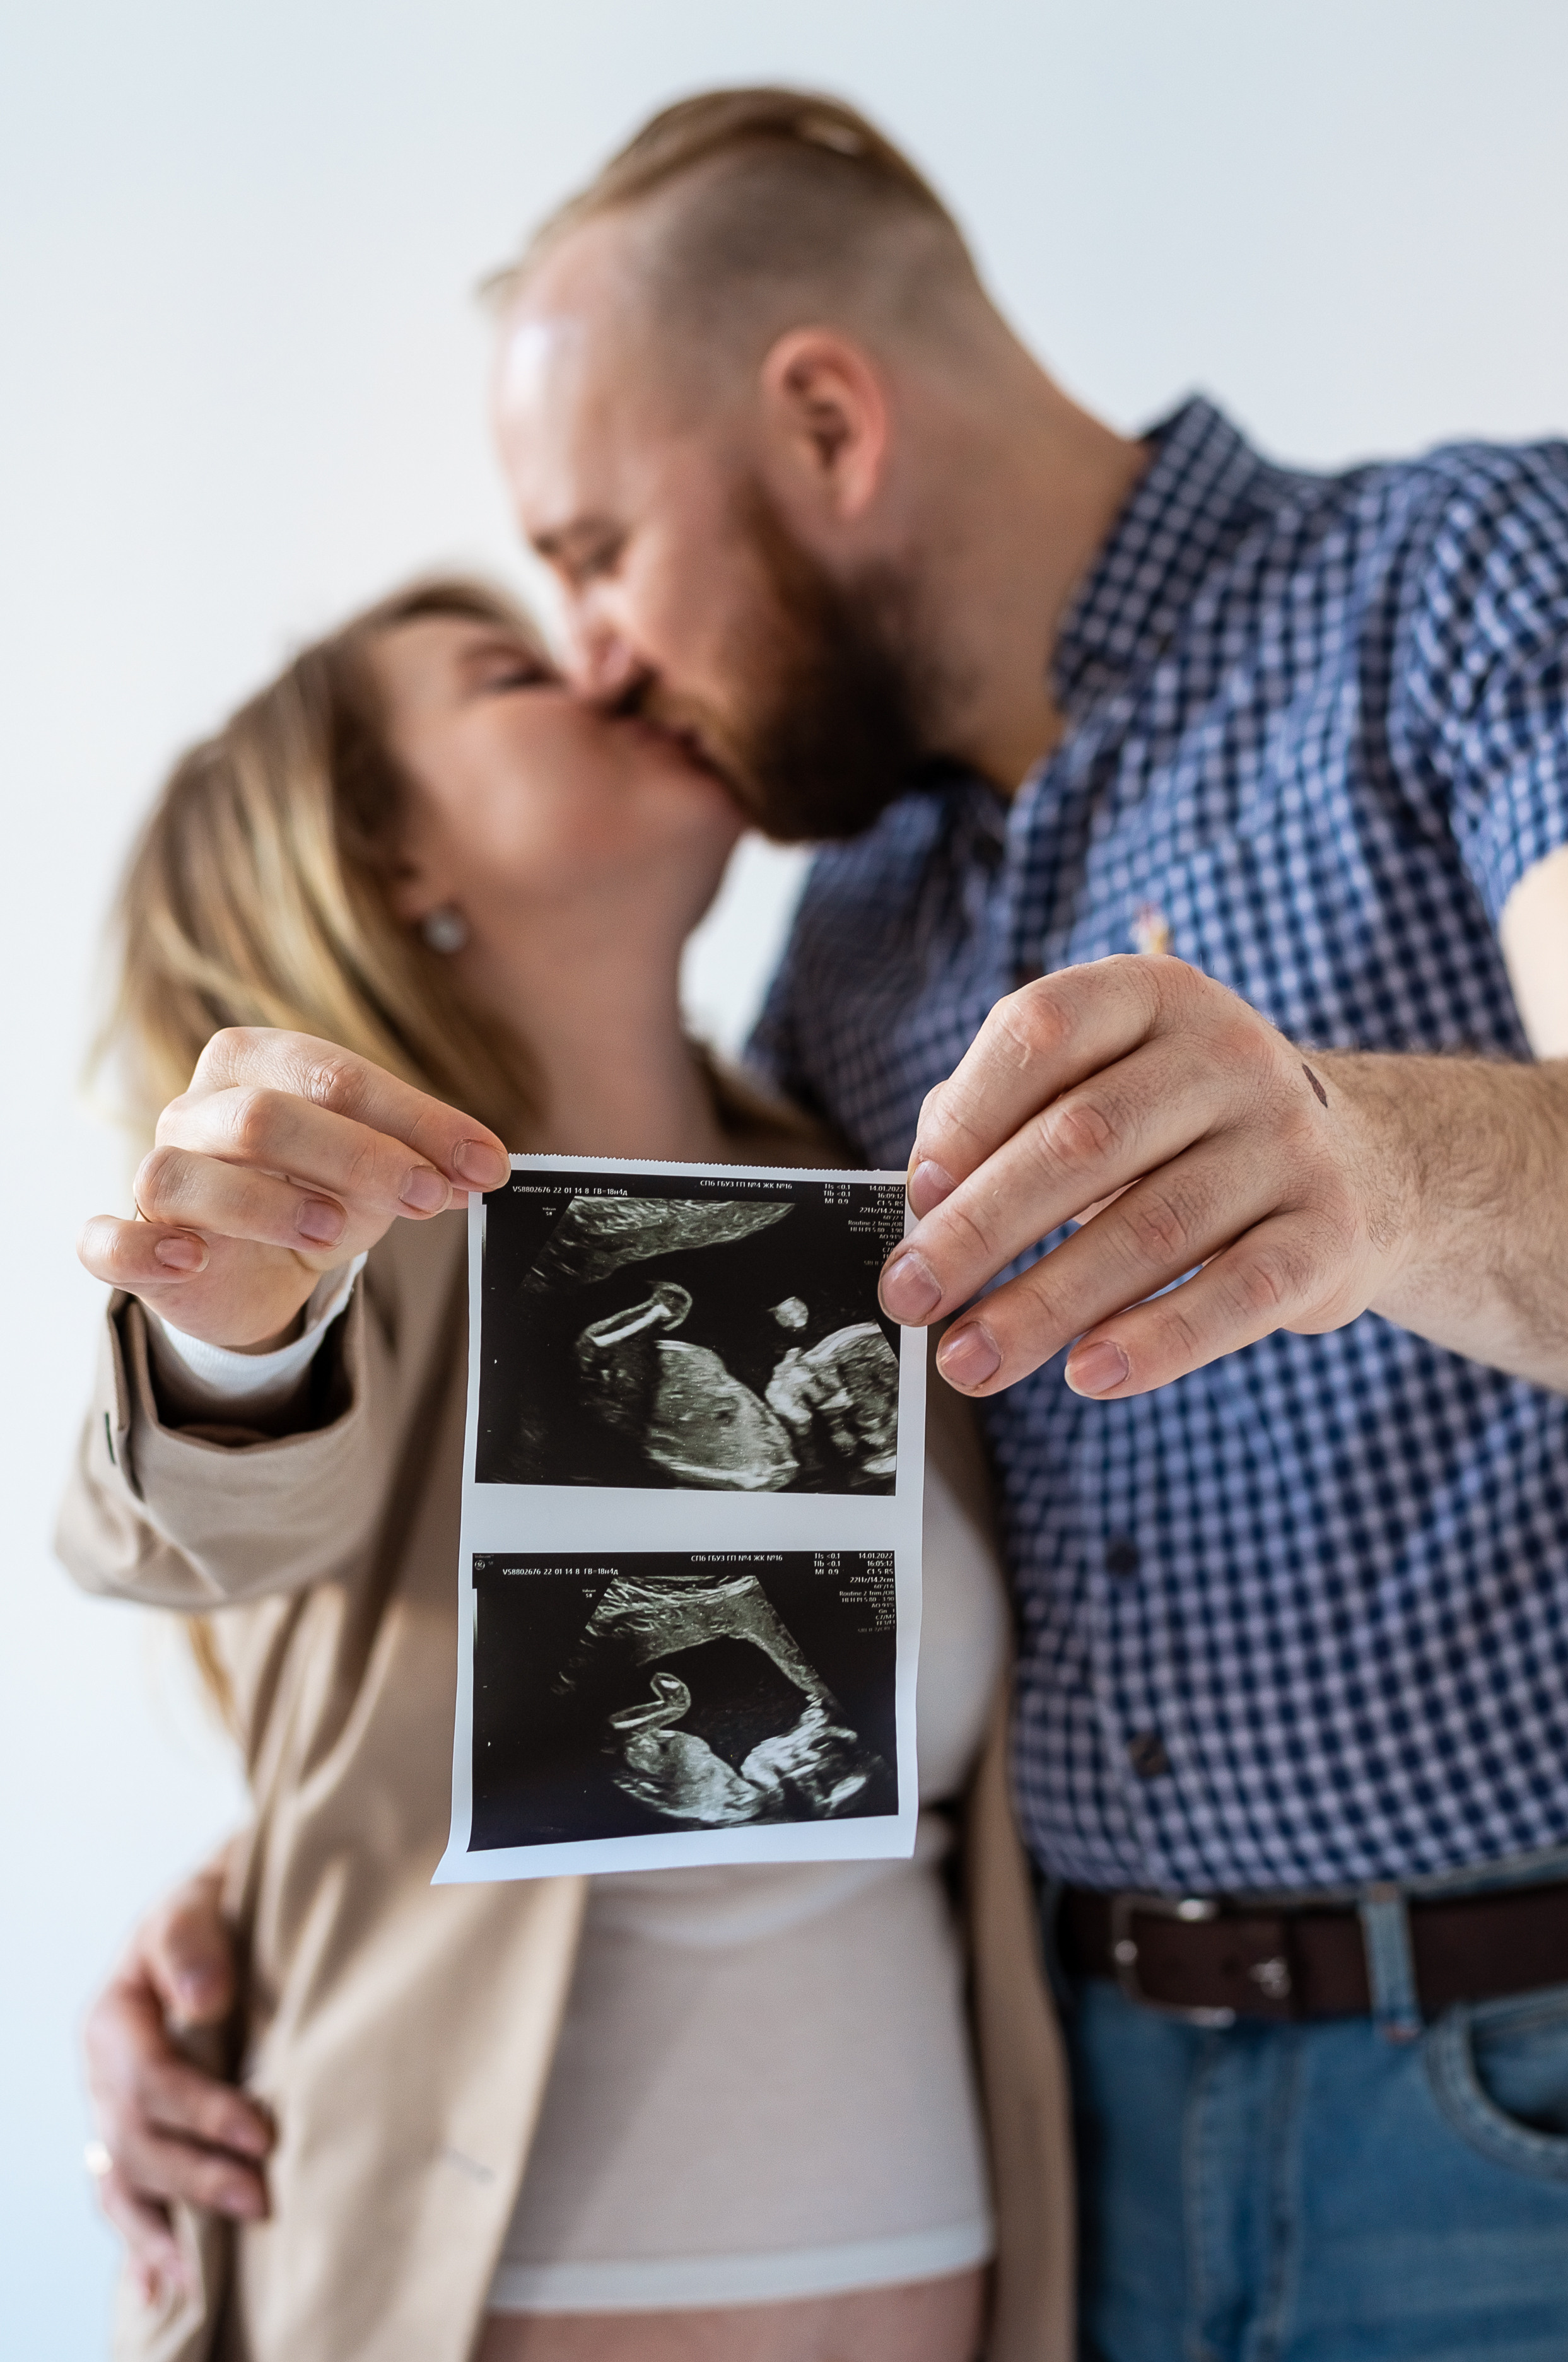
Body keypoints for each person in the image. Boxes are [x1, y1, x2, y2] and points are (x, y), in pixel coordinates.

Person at [467, 87, 1568, 2359]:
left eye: (592, 545)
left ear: (821, 420)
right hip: (1069, 2146)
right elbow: (693, 1667)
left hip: (1522, 2103)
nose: (585, 650)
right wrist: (258, 1911)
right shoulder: (844, 947)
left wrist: (1355, 1161)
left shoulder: (1462, 575)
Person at [64, 577, 1071, 2362]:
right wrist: (227, 1337)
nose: (615, 654)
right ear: (389, 864)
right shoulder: (350, 1257)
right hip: (464, 2296)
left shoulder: (875, 1202)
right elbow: (178, 1519)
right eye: (514, 671)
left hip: (940, 2270)